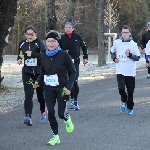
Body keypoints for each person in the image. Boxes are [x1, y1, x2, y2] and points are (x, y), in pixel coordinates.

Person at [33, 31, 76, 146]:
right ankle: (55, 136)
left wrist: (69, 87)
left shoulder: (64, 55)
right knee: (50, 112)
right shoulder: (44, 56)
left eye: (53, 41)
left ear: (58, 42)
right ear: (45, 42)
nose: (51, 43)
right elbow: (43, 72)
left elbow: (73, 72)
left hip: (62, 89)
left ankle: (67, 118)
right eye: (49, 41)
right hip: (48, 88)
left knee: (61, 114)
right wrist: (37, 81)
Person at [17, 25, 46, 126]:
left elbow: (45, 55)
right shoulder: (22, 43)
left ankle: (43, 111)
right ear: (25, 35)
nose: (30, 36)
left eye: (32, 34)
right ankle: (28, 117)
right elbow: (20, 53)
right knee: (28, 95)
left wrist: (33, 54)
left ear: (35, 34)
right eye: (28, 34)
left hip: (38, 74)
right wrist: (19, 59)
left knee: (40, 96)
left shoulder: (39, 43)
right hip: (27, 73)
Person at [110, 25, 140, 115]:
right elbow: (112, 51)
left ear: (130, 33)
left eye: (126, 32)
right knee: (121, 88)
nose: (125, 34)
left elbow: (138, 57)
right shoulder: (117, 42)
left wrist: (130, 55)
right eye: (123, 32)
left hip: (130, 71)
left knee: (130, 91)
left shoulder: (133, 44)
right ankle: (124, 100)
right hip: (120, 69)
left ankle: (130, 107)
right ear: (121, 33)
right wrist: (114, 58)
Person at [59, 22, 88, 110]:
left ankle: (74, 101)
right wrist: (63, 52)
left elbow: (84, 46)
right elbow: (57, 48)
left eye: (69, 27)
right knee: (66, 81)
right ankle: (67, 99)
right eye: (66, 27)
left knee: (74, 80)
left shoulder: (78, 37)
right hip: (64, 62)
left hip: (75, 61)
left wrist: (85, 57)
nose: (67, 29)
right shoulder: (61, 38)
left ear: (72, 28)